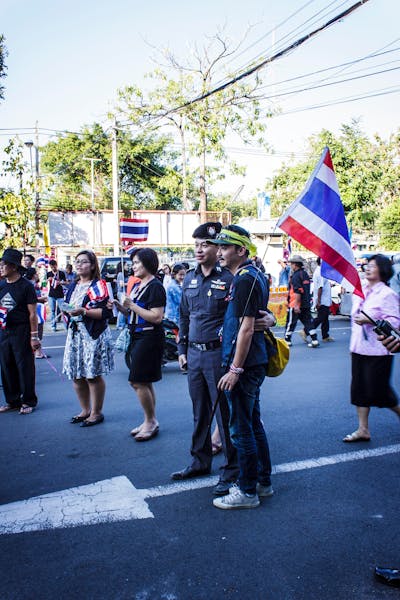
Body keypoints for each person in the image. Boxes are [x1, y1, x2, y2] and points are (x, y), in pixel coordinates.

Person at [171, 222, 240, 495]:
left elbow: (235, 321)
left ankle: (231, 470)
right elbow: (184, 317)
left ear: (217, 248)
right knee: (199, 413)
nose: (200, 250)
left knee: (223, 415)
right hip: (195, 355)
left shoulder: (229, 279)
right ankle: (200, 461)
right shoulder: (189, 278)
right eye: (196, 245)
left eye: (206, 245)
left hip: (216, 355)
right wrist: (181, 350)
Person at [209, 225, 273, 510]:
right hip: (253, 361)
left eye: (224, 247)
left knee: (240, 430)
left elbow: (247, 328)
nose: (218, 252)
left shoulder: (246, 278)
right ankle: (263, 481)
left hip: (245, 364)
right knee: (252, 423)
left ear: (241, 250)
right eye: (218, 247)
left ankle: (247, 491)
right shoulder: (252, 275)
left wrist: (234, 370)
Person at [343, 254, 400, 443]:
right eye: (367, 265)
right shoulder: (361, 291)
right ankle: (363, 429)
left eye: (372, 266)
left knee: (380, 392)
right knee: (359, 390)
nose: (367, 268)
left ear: (382, 270)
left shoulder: (387, 294)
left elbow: (394, 323)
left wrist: (371, 320)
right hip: (359, 348)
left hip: (379, 350)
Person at [113, 248, 166, 441]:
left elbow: (157, 317)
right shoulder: (138, 285)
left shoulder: (155, 286)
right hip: (136, 335)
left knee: (136, 380)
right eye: (133, 263)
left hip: (149, 337)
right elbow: (134, 313)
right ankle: (149, 419)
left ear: (148, 263)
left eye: (137, 263)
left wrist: (132, 306)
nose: (133, 266)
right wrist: (122, 308)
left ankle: (151, 421)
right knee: (143, 381)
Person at [62, 250, 114, 427]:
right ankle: (85, 410)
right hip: (75, 333)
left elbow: (105, 313)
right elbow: (68, 306)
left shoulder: (99, 285)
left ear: (92, 265)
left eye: (83, 262)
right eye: (77, 261)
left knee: (92, 375)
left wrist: (83, 311)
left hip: (92, 334)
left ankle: (96, 412)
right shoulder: (73, 285)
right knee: (76, 374)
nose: (79, 265)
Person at [0, 248, 40, 415]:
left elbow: (32, 314)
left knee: (24, 366)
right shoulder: (1, 285)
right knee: (6, 366)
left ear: (14, 267)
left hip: (22, 330)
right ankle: (12, 400)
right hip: (4, 330)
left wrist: (34, 337)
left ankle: (28, 400)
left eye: (4, 265)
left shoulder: (26, 286)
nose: (1, 267)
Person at [284, 255, 319, 348]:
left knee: (291, 322)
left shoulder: (295, 276)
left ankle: (287, 340)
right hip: (306, 304)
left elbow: (298, 291)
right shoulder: (305, 274)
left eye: (291, 264)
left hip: (295, 303)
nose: (291, 265)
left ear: (295, 265)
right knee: (308, 322)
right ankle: (314, 339)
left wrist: (296, 305)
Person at [306, 257, 334, 343]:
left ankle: (325, 335)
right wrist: (318, 301)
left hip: (323, 299)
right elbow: (320, 288)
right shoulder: (321, 272)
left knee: (325, 318)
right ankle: (306, 330)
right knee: (321, 318)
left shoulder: (321, 271)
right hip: (322, 300)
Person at [25, 267, 47, 359]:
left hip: (38, 308)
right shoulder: (29, 285)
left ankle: (38, 351)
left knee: (39, 329)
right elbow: (30, 299)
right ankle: (37, 351)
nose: (38, 274)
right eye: (36, 273)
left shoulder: (35, 284)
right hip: (35, 310)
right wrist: (41, 299)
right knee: (37, 330)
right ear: (33, 275)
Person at [47, 259, 67, 331]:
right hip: (51, 294)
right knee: (52, 311)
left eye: (54, 266)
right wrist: (48, 280)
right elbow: (44, 283)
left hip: (60, 294)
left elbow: (66, 282)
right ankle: (53, 326)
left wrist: (60, 282)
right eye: (51, 267)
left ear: (56, 265)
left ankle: (66, 325)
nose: (53, 268)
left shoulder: (61, 273)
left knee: (63, 310)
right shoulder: (48, 274)